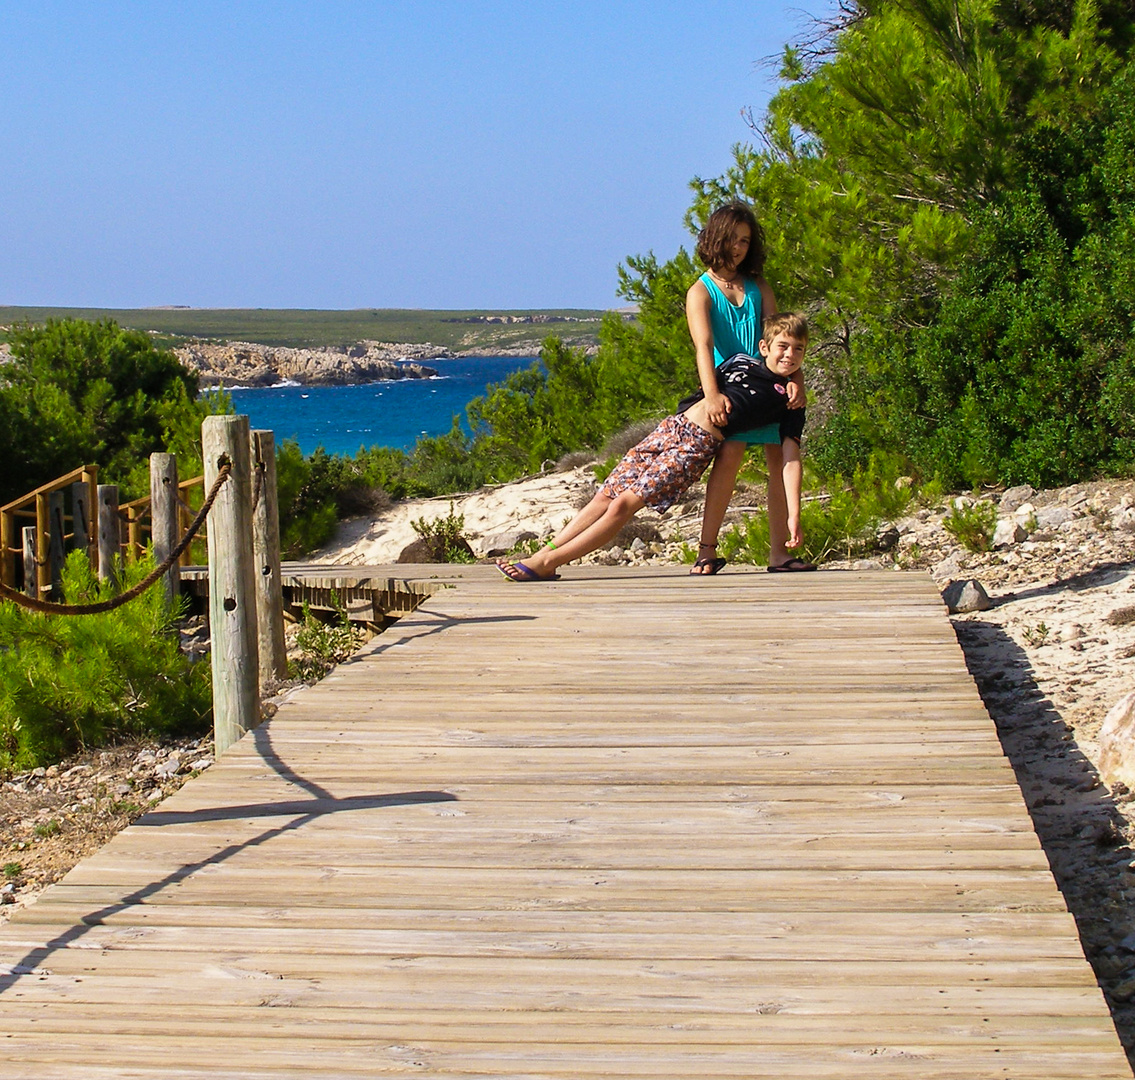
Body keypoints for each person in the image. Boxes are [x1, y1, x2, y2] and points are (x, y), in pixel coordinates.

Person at [497, 313, 809, 582]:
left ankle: (547, 564)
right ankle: (544, 553)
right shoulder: (740, 360)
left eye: (799, 350)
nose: (789, 355)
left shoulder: (790, 399)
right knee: (605, 495)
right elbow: (706, 381)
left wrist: (793, 516)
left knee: (623, 506)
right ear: (764, 347)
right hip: (670, 429)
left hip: (696, 446)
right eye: (783, 346)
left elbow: (791, 459)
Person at [686, 201, 812, 575]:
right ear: (715, 237)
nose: (739, 247)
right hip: (731, 390)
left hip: (771, 386)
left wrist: (797, 382)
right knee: (729, 459)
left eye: (745, 240)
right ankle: (706, 551)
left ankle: (781, 554)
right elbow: (704, 347)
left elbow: (782, 338)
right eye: (732, 239)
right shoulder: (701, 291)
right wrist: (712, 396)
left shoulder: (759, 286)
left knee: (779, 459)